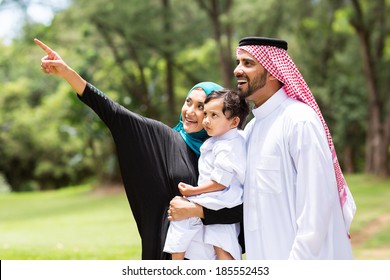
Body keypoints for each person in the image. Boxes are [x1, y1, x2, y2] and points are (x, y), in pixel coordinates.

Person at [34, 38, 244, 260]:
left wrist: (198, 211)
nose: (190, 112)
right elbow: (114, 114)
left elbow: (242, 207)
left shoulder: (229, 149)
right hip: (171, 254)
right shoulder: (164, 139)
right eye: (188, 102)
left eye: (201, 107)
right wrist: (67, 73)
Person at [233, 36, 357, 259]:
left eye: (248, 63)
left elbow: (317, 207)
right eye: (238, 62)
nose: (237, 70)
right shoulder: (251, 128)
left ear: (273, 70)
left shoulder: (299, 120)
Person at [164, 89, 249, 260]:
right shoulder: (217, 140)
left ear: (234, 122)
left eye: (213, 115)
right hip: (215, 198)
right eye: (206, 114)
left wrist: (192, 191)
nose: (206, 120)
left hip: (221, 199)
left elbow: (221, 182)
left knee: (220, 245)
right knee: (217, 243)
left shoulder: (227, 145)